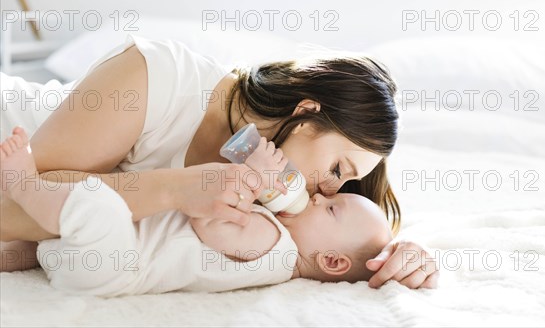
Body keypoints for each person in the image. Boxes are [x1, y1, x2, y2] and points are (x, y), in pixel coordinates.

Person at [0, 35, 438, 289]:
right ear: (305, 114)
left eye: (344, 186)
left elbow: (347, 236)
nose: (327, 192)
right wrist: (175, 189)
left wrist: (397, 255)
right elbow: (10, 212)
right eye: (338, 170)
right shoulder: (155, 78)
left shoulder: (279, 188)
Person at [0, 127, 392, 296]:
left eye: (332, 209)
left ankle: (24, 185)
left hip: (114, 269)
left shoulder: (276, 247)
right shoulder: (276, 242)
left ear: (333, 261)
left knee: (98, 205)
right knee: (46, 241)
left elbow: (208, 218)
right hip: (96, 260)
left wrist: (254, 177)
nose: (320, 196)